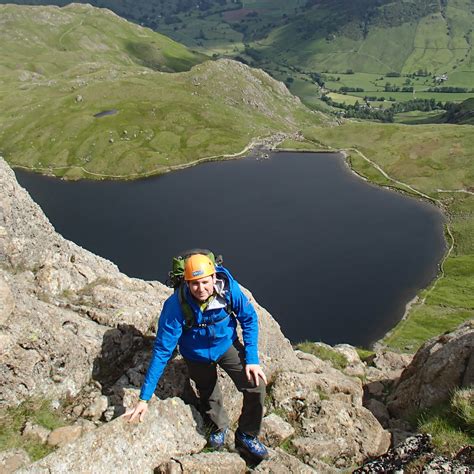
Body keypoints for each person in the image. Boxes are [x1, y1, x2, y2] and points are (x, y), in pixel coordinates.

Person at [124, 253, 269, 461]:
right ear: (186, 282)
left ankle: (247, 435)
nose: (200, 289)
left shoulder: (229, 290)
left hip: (226, 345)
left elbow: (249, 318)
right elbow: (162, 351)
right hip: (195, 354)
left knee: (256, 386)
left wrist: (252, 359)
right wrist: (144, 398)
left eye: (204, 282)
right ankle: (218, 428)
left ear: (213, 277)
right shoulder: (175, 306)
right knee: (208, 390)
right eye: (194, 284)